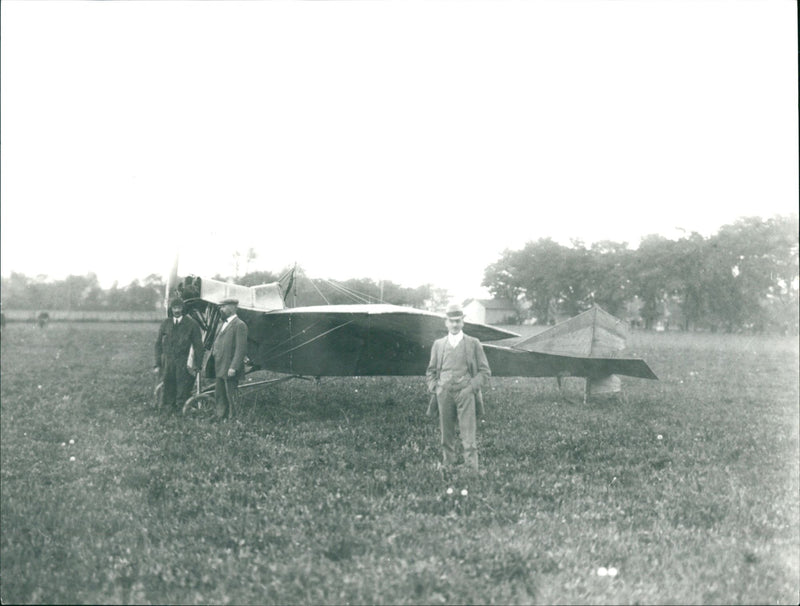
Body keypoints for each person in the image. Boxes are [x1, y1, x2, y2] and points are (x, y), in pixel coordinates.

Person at [426, 303, 491, 474]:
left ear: (463, 322)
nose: (455, 325)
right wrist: (436, 388)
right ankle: (448, 464)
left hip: (465, 392)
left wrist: (470, 388)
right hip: (444, 393)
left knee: (468, 433)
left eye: (458, 321)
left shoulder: (473, 343)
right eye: (451, 321)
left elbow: (485, 372)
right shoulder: (439, 344)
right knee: (446, 433)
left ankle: (471, 468)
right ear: (445, 322)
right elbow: (431, 371)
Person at [154, 297, 204, 414]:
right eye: (175, 308)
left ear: (183, 309)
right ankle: (168, 408)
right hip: (168, 360)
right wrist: (157, 363)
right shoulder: (166, 323)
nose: (177, 310)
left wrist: (198, 364)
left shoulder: (191, 324)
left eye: (179, 308)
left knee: (183, 385)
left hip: (183, 361)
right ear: (171, 309)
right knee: (168, 383)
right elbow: (158, 344)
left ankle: (181, 409)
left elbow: (198, 346)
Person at [211, 298, 248, 420]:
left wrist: (234, 367)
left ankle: (234, 418)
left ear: (232, 308)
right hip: (220, 365)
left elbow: (240, 349)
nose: (221, 309)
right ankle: (221, 416)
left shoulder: (240, 325)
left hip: (229, 367)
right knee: (220, 393)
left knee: (231, 394)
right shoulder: (223, 323)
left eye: (224, 306)